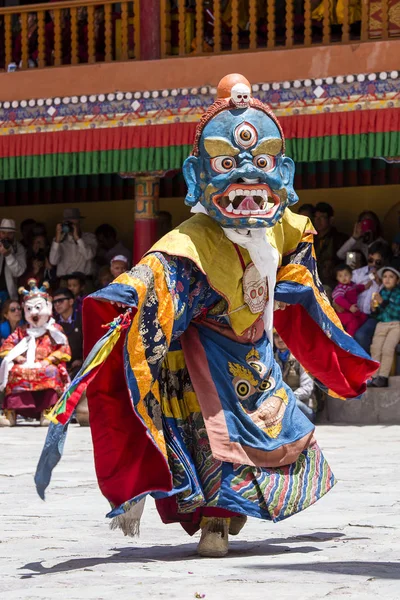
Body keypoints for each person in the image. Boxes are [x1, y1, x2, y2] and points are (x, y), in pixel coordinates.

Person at [36, 73, 377, 558]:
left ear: (285, 171)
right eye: (227, 164)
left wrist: (335, 349)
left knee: (274, 425)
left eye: (262, 163)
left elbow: (302, 278)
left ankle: (233, 511)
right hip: (205, 359)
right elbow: (153, 282)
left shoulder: (283, 228)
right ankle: (215, 522)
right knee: (217, 434)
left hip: (257, 352)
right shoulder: (189, 242)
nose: (248, 180)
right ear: (198, 175)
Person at [0, 280, 70, 428]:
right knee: (14, 371)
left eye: (38, 307)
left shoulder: (54, 329)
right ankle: (11, 412)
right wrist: (17, 357)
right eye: (30, 308)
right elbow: (7, 345)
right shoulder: (22, 330)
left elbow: (64, 348)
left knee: (51, 372)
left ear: (48, 307)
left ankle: (47, 410)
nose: (34, 313)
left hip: (46, 364)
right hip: (26, 364)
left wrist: (49, 359)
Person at [352, 243, 388, 353]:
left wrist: (378, 282)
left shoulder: (388, 277)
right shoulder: (357, 273)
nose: (373, 264)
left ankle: (366, 366)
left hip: (373, 316)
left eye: (377, 262)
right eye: (370, 260)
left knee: (361, 335)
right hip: (356, 313)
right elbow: (348, 290)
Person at [368, 266, 400, 388]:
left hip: (396, 324)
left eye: (391, 277)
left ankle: (383, 377)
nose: (387, 279)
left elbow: (396, 312)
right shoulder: (381, 292)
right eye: (385, 277)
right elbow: (378, 314)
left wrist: (382, 302)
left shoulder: (398, 293)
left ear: (397, 280)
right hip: (381, 324)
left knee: (387, 348)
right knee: (375, 348)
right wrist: (374, 308)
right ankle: (374, 376)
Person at [273, 331, 315, 422]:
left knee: (291, 403)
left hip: (302, 406)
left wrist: (289, 397)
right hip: (279, 404)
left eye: (283, 335)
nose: (280, 339)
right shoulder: (271, 360)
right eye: (276, 336)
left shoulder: (302, 358)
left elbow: (307, 388)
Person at [49, 208, 97, 282]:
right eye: (67, 222)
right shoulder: (59, 240)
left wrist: (77, 238)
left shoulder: (89, 237)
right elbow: (53, 261)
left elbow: (88, 256)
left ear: (79, 222)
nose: (70, 225)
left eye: (73, 222)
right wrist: (57, 239)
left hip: (84, 280)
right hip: (65, 281)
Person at [314, 202, 347, 290]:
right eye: (316, 217)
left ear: (331, 220)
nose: (318, 221)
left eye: (322, 217)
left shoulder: (339, 239)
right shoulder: (311, 239)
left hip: (333, 283)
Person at [332, 264, 370, 336]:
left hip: (352, 310)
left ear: (351, 275)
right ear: (337, 278)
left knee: (363, 317)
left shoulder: (352, 285)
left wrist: (366, 286)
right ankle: (349, 339)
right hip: (343, 312)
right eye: (340, 276)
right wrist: (349, 307)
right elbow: (338, 299)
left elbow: (358, 288)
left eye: (346, 275)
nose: (343, 278)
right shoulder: (340, 288)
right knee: (352, 321)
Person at [53, 288, 83, 379]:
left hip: (81, 364)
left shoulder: (82, 318)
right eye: (54, 302)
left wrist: (82, 359)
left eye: (60, 301)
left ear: (71, 301)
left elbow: (90, 341)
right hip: (60, 364)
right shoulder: (52, 322)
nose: (57, 304)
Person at [0, 219, 27, 305]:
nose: (6, 236)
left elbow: (18, 272)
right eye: (3, 233)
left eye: (9, 233)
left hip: (9, 293)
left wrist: (8, 255)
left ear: (14, 234)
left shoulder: (19, 248)